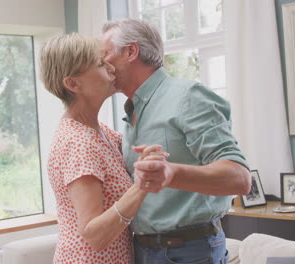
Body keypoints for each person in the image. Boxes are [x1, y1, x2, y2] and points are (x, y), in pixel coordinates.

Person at [101, 18, 251, 264]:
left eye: (105, 55)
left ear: (130, 52)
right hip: (144, 251)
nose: (102, 65)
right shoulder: (131, 114)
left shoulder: (187, 96)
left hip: (190, 253)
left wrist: (171, 173)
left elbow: (240, 178)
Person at [40, 33, 168, 264]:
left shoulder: (101, 132)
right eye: (100, 63)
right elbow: (94, 235)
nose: (111, 68)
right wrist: (141, 186)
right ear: (72, 84)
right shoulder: (80, 143)